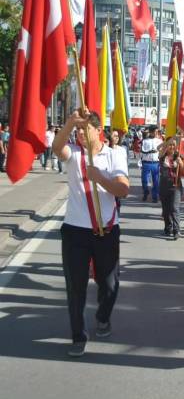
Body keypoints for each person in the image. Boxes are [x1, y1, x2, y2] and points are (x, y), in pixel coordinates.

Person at [52, 109, 129, 357]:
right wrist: (69, 123)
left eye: (85, 130)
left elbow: (122, 190)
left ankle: (103, 316)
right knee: (76, 286)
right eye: (78, 132)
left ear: (99, 131)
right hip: (75, 231)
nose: (81, 136)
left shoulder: (115, 154)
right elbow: (56, 148)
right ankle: (78, 335)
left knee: (109, 284)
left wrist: (100, 178)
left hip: (106, 230)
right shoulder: (74, 154)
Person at [158, 137, 184, 239]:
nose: (172, 147)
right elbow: (158, 148)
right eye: (170, 145)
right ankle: (168, 227)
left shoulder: (179, 156)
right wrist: (168, 140)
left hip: (176, 186)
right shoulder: (162, 156)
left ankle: (176, 230)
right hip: (164, 185)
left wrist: (180, 163)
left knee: (174, 208)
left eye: (173, 145)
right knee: (166, 210)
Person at [140, 126, 162, 202]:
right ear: (151, 132)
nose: (156, 133)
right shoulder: (145, 141)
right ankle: (145, 192)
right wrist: (150, 151)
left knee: (156, 181)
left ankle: (155, 196)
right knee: (144, 180)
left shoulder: (159, 141)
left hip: (155, 163)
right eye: (155, 131)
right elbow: (142, 151)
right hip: (146, 162)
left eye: (157, 131)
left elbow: (162, 151)